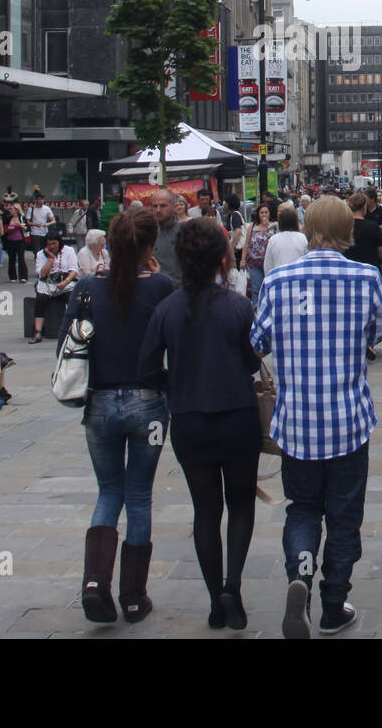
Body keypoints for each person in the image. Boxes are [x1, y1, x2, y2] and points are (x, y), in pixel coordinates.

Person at [252, 196, 382, 639]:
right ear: (348, 229)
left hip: (297, 421)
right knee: (345, 516)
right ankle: (333, 605)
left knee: (303, 509)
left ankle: (300, 575)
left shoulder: (278, 281)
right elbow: (376, 334)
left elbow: (259, 341)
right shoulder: (366, 277)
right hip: (348, 419)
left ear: (309, 229)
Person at [139, 219, 261, 631]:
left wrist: (174, 386)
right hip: (238, 414)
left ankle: (214, 599)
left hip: (190, 419)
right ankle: (233, 585)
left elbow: (147, 368)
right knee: (241, 502)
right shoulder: (239, 306)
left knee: (205, 510)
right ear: (221, 260)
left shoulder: (167, 309)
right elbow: (251, 359)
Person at [68, 209, 173, 625]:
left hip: (100, 402)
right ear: (150, 247)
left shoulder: (88, 288)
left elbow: (68, 343)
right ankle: (133, 594)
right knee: (139, 494)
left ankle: (95, 583)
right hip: (148, 402)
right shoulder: (162, 286)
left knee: (108, 492)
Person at [30, 233, 78, 344]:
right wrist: (51, 258)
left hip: (65, 282)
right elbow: (42, 274)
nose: (52, 246)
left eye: (54, 243)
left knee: (72, 298)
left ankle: (73, 327)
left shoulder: (69, 251)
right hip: (47, 283)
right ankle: (38, 331)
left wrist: (65, 282)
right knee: (41, 299)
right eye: (49, 244)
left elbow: (74, 270)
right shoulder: (41, 254)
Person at [344, 192, 382, 271]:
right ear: (364, 208)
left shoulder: (343, 226)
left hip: (348, 270)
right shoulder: (373, 227)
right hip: (370, 269)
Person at [262, 203, 308, 274]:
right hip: (297, 276)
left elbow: (268, 265)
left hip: (278, 277)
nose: (278, 213)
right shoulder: (302, 238)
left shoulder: (273, 239)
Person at [244, 202, 275, 301]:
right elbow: (246, 244)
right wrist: (242, 260)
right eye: (262, 212)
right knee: (256, 289)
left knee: (269, 288)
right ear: (258, 214)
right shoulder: (252, 226)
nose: (264, 214)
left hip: (270, 263)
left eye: (266, 212)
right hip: (254, 263)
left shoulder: (274, 226)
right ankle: (256, 309)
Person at [150, 190, 181, 279]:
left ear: (174, 206)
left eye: (163, 206)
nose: (158, 210)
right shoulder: (147, 233)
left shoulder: (184, 231)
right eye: (155, 206)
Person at [3, 203, 29, 282]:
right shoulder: (8, 218)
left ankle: (23, 276)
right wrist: (17, 226)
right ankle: (12, 276)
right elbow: (6, 228)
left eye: (12, 209)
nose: (10, 211)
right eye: (10, 209)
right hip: (10, 240)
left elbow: (26, 228)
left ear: (17, 210)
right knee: (12, 258)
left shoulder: (21, 218)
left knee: (21, 258)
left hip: (20, 240)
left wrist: (22, 227)